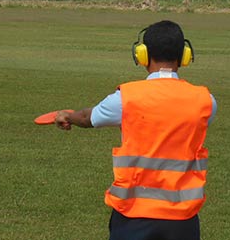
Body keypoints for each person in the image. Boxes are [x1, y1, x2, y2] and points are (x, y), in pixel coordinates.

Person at [55, 20, 216, 240]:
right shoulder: (206, 101)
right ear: (185, 55)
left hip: (133, 216)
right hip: (183, 220)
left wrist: (67, 116)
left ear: (143, 55)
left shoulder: (126, 98)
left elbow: (86, 118)